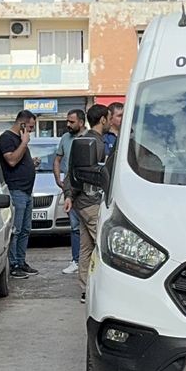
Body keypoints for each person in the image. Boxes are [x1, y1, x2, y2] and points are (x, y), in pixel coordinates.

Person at [63, 104, 109, 303]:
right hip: (90, 203)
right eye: (109, 117)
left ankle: (85, 289)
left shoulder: (87, 141)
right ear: (103, 120)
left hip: (83, 203)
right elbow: (77, 173)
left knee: (86, 247)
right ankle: (101, 289)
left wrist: (69, 196)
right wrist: (69, 195)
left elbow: (71, 171)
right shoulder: (92, 143)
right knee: (103, 246)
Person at [0, 110, 39, 279]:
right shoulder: (7, 138)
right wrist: (24, 143)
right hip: (16, 190)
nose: (31, 131)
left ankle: (21, 261)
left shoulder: (21, 140)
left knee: (25, 230)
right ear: (22, 124)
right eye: (30, 127)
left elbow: (20, 159)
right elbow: (12, 160)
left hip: (26, 191)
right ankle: (13, 264)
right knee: (15, 230)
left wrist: (31, 163)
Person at [53, 108, 86, 275]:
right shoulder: (65, 138)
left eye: (71, 122)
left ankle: (88, 261)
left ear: (81, 122)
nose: (68, 124)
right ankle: (75, 260)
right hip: (69, 185)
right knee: (74, 226)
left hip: (87, 187)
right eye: (67, 121)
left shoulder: (89, 137)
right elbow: (57, 160)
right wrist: (58, 178)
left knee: (88, 226)